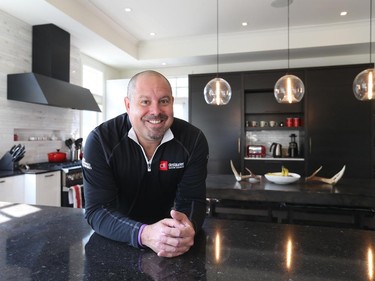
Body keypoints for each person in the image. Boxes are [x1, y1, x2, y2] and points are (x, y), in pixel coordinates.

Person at [82, 70, 209, 258]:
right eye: (145, 102)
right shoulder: (101, 140)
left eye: (164, 101)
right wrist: (144, 233)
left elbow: (193, 200)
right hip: (115, 239)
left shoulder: (193, 139)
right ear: (128, 105)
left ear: (172, 103)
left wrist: (187, 227)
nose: (156, 111)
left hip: (170, 242)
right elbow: (97, 210)